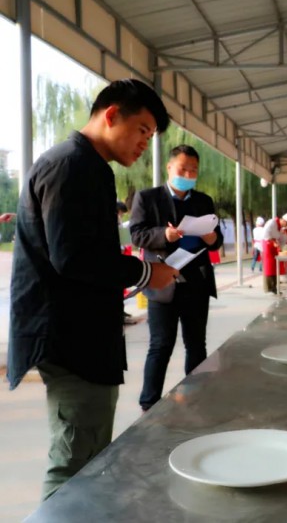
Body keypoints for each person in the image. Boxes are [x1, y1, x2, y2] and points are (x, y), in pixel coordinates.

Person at [7, 79, 176, 500]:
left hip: (85, 336)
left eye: (151, 136)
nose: (144, 144)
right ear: (112, 114)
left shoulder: (88, 165)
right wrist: (145, 272)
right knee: (74, 463)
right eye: (142, 130)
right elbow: (74, 257)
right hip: (70, 339)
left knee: (90, 454)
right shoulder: (70, 165)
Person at [130, 144, 223, 411]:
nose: (188, 174)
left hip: (196, 283)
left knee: (196, 345)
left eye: (193, 170)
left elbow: (216, 241)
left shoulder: (203, 201)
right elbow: (137, 234)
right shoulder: (147, 198)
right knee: (160, 346)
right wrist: (164, 235)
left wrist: (212, 237)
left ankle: (197, 398)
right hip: (163, 283)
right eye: (183, 169)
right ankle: (149, 404)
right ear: (169, 167)